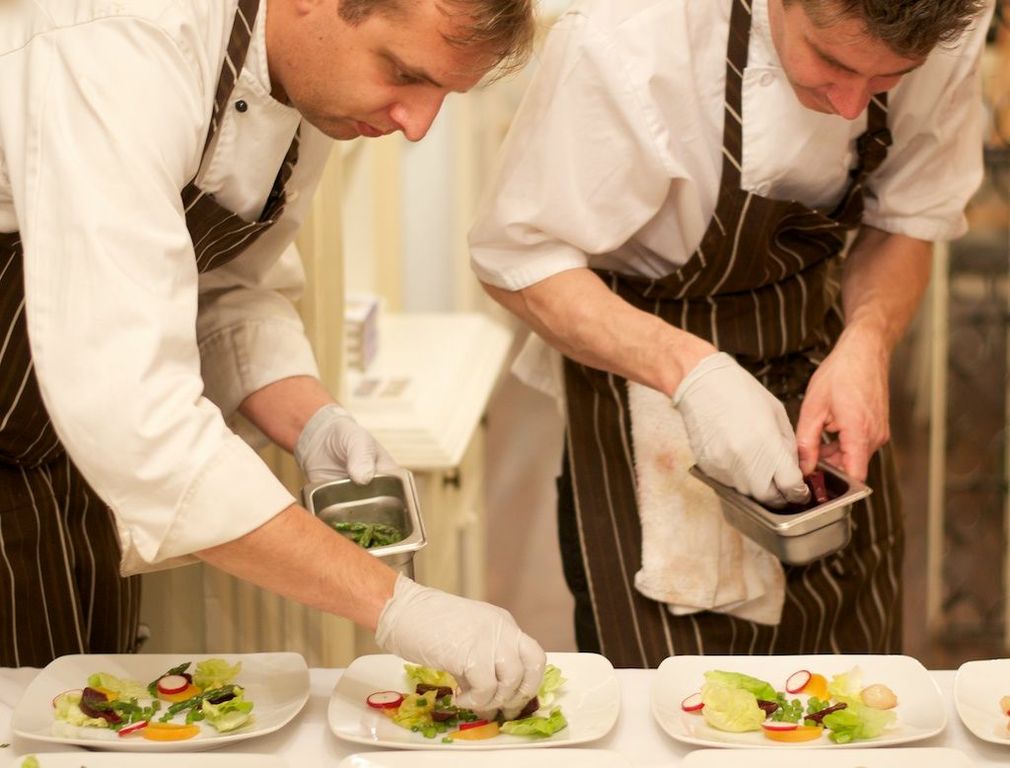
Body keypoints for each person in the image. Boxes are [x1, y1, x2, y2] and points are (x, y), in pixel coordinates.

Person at [0, 0, 546, 713]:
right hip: (82, 437)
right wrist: (398, 605)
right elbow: (139, 421)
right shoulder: (123, 45)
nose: (417, 123)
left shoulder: (303, 85)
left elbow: (222, 285)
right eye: (405, 73)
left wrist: (310, 419)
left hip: (54, 464)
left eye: (442, 93)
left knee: (79, 724)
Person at [470, 0, 993, 666]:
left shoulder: (957, 17)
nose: (848, 103)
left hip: (818, 346)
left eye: (888, 81)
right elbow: (517, 258)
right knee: (676, 710)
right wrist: (693, 372)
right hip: (642, 384)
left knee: (853, 701)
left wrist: (867, 340)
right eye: (830, 61)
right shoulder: (628, 36)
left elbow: (910, 215)